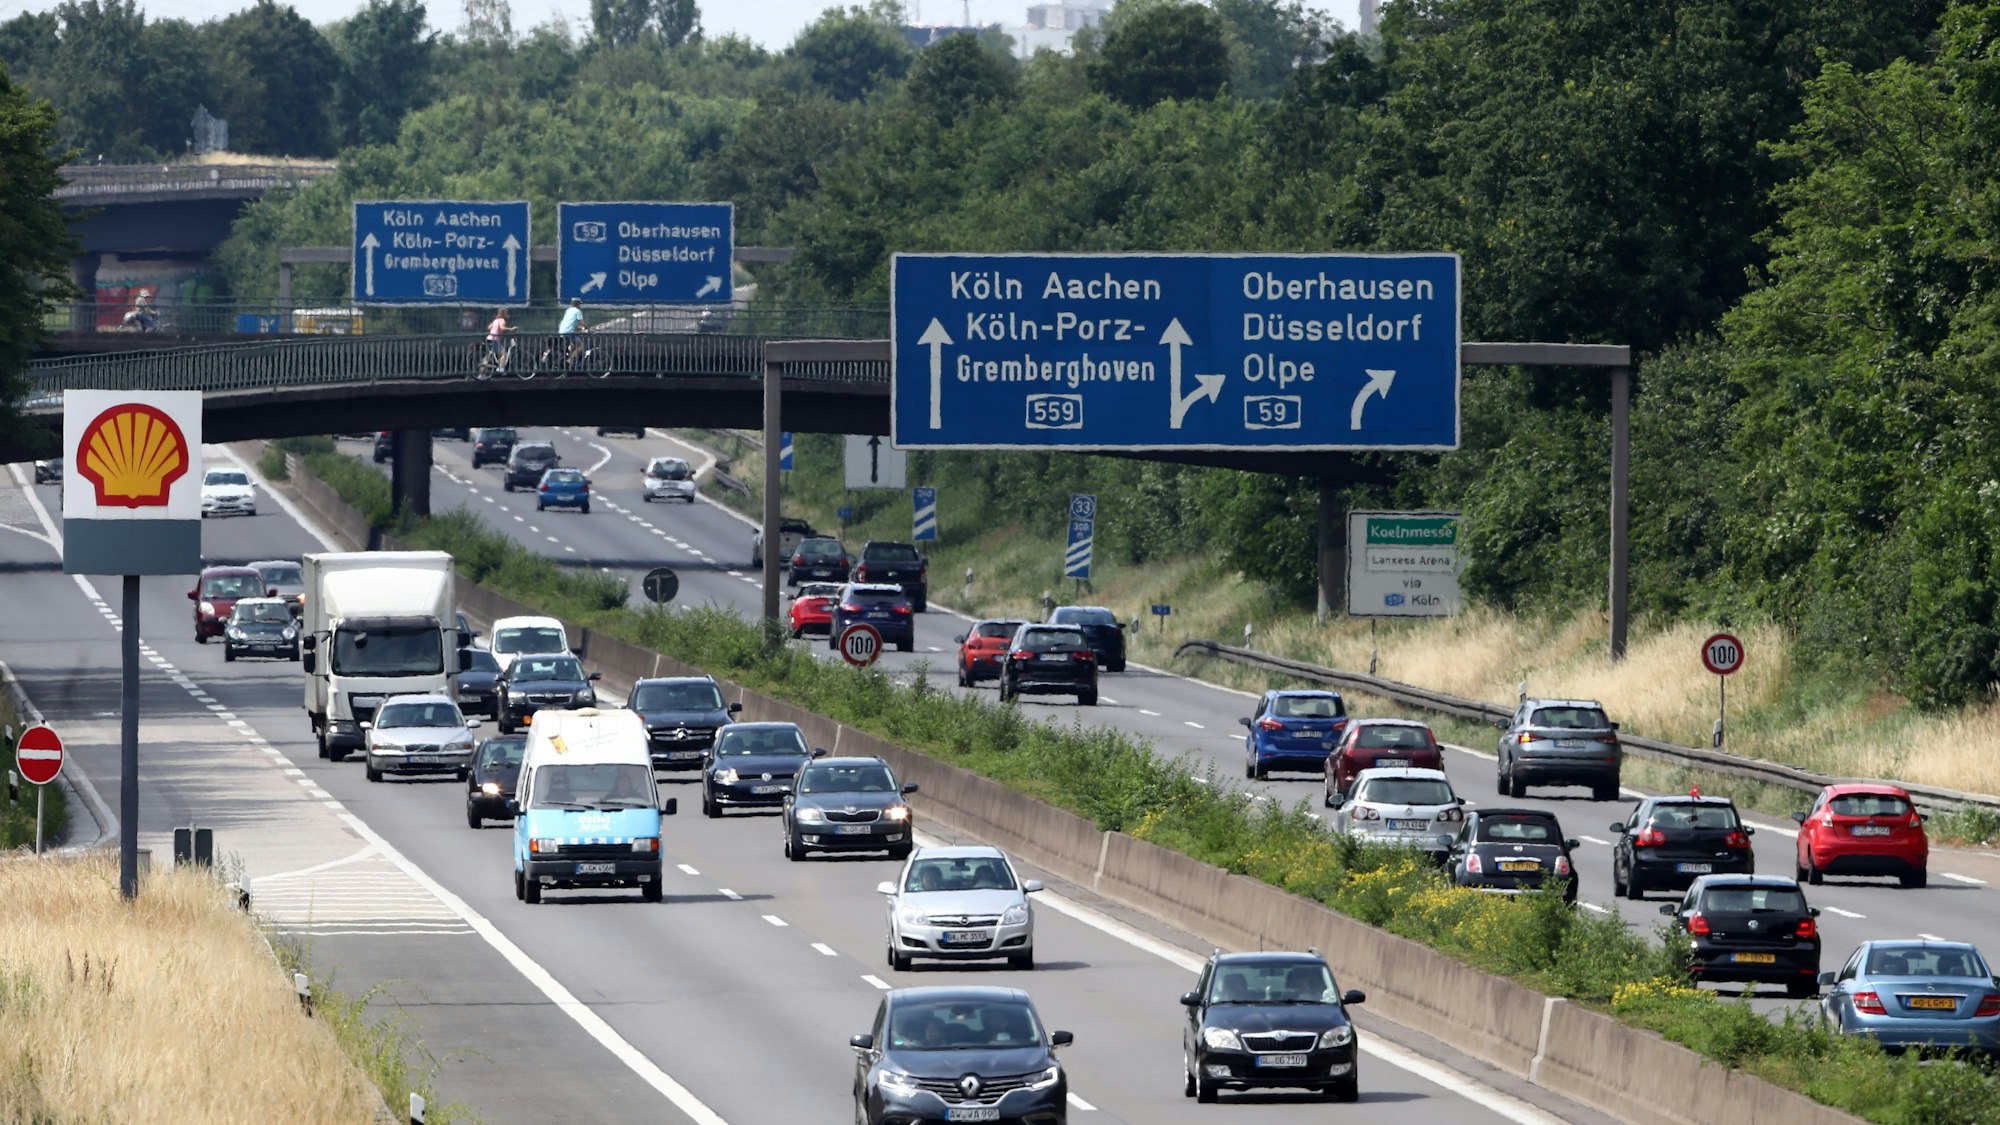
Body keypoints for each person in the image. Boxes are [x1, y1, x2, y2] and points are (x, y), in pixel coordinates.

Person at [558, 298, 588, 365]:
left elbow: (571, 323)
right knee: (581, 346)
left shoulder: (568, 310)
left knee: (573, 345)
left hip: (562, 330)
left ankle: (569, 359)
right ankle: (570, 359)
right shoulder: (577, 311)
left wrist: (579, 328)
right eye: (580, 304)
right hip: (569, 332)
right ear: (577, 304)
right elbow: (582, 323)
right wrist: (587, 328)